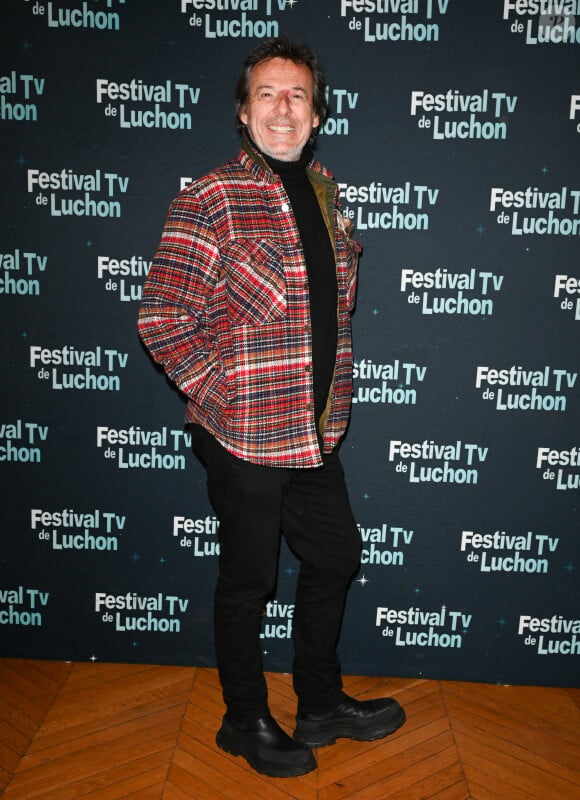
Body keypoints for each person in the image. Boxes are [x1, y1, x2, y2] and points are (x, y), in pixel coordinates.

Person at [138, 36, 405, 778]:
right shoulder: (210, 197)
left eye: (296, 95)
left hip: (314, 432)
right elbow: (162, 317)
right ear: (242, 110)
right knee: (249, 581)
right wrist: (221, 401)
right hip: (246, 434)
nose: (282, 108)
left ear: (316, 113)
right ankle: (243, 720)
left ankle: (318, 706)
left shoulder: (324, 191)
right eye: (266, 94)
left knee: (336, 556)